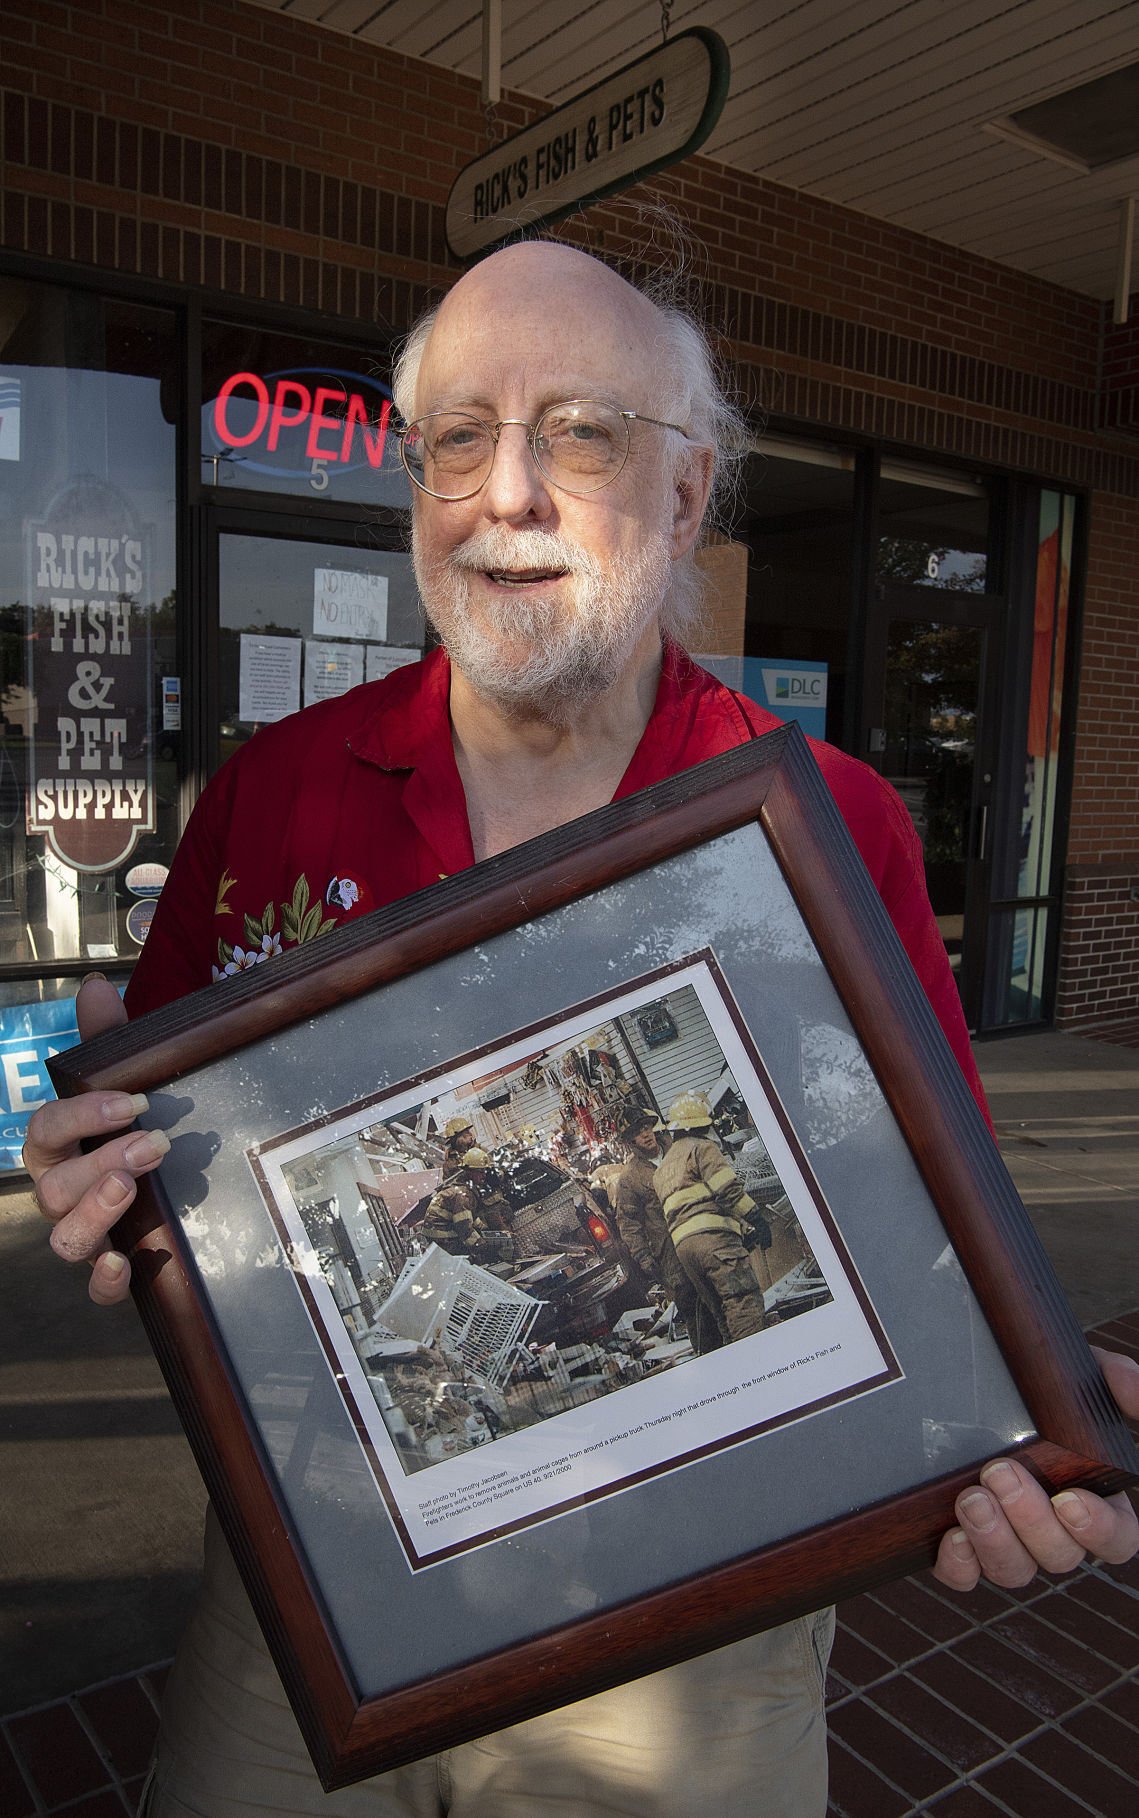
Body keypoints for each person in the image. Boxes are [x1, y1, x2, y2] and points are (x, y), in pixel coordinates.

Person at [25, 240, 1139, 1818]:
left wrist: (1017, 1422)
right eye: (458, 437)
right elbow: (181, 1157)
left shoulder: (822, 829)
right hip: (322, 1581)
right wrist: (108, 1176)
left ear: (686, 496)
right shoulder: (276, 786)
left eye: (580, 433)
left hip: (685, 1618)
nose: (506, 494)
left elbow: (923, 1237)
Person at [654, 1092, 772, 1344]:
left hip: (685, 1251)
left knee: (720, 1311)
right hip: (714, 1242)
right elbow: (726, 1190)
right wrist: (755, 1218)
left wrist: (738, 1228)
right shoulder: (702, 1148)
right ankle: (760, 1358)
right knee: (741, 1301)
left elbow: (691, 1206)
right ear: (702, 1124)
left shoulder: (662, 1168)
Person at [613, 1106, 719, 1353]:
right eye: (638, 1133)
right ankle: (710, 1355)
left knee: (719, 1293)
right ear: (630, 1142)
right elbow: (628, 1223)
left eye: (646, 1127)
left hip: (702, 1230)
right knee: (692, 1306)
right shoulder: (630, 1179)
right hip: (670, 1251)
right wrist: (643, 1257)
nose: (646, 1135)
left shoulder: (678, 1149)